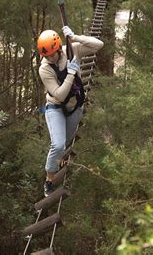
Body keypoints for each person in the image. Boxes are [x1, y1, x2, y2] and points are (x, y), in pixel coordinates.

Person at [37, 26, 104, 196]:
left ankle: (59, 161)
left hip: (75, 104)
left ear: (59, 48)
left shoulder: (72, 50)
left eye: (53, 53)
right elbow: (59, 95)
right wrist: (71, 73)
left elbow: (99, 44)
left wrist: (76, 37)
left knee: (66, 141)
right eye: (47, 55)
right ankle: (49, 179)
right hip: (55, 107)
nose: (51, 58)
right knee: (58, 144)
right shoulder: (44, 68)